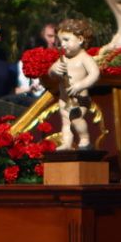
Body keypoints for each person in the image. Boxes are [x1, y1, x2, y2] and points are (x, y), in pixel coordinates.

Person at [45, 19, 101, 150]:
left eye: (66, 40)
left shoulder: (84, 58)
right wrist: (54, 70)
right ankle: (67, 143)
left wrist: (80, 85)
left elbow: (95, 74)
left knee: (76, 118)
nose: (62, 45)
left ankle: (85, 140)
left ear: (80, 39)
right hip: (64, 99)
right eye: (60, 41)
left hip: (79, 99)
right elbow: (51, 74)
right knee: (66, 121)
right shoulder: (63, 58)